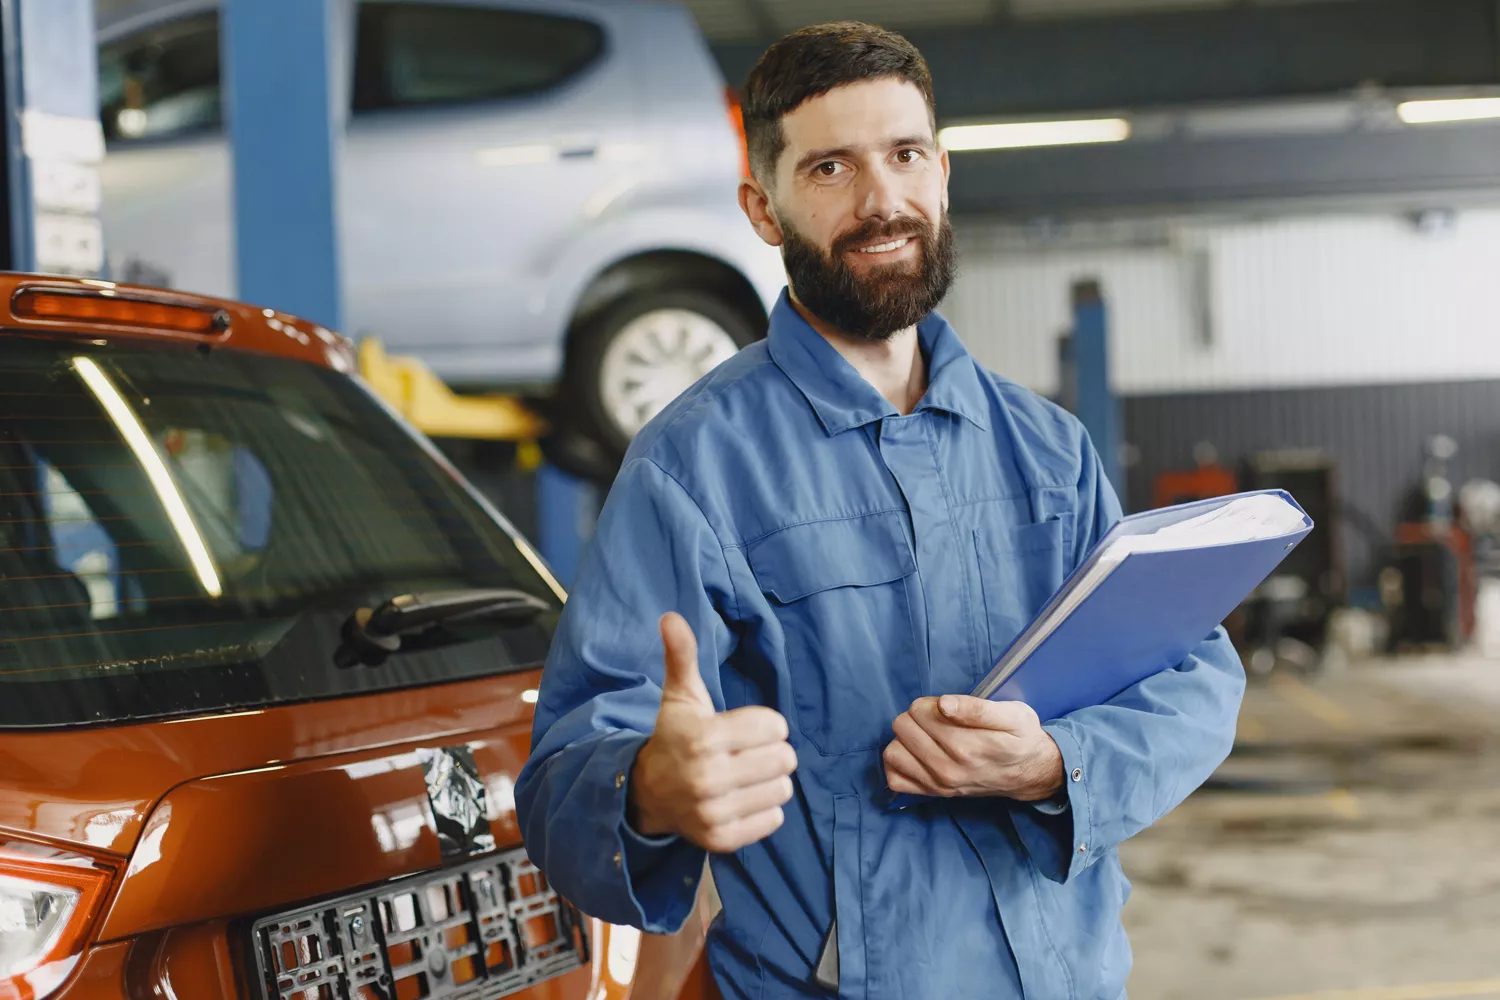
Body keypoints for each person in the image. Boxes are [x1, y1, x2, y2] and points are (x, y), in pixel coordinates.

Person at [516, 21, 1245, 999]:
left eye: (905, 156)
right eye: (829, 169)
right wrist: (649, 786)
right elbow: (564, 777)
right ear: (763, 210)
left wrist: (1055, 762)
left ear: (942, 172)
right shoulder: (693, 470)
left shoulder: (1047, 449)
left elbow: (1193, 676)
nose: (882, 200)